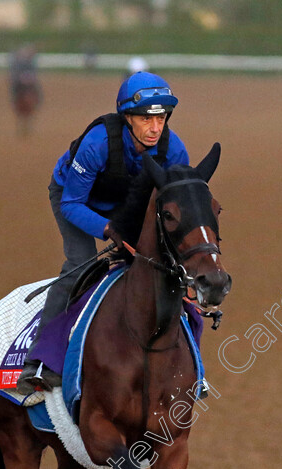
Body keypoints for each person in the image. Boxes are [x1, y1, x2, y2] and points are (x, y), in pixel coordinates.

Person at [17, 71, 189, 395]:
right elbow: (71, 203)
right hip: (74, 197)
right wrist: (109, 229)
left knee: (171, 269)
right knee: (81, 265)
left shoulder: (174, 151)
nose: (155, 128)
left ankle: (191, 367)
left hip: (127, 203)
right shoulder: (97, 143)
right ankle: (40, 361)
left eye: (162, 118)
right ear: (127, 117)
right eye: (145, 119)